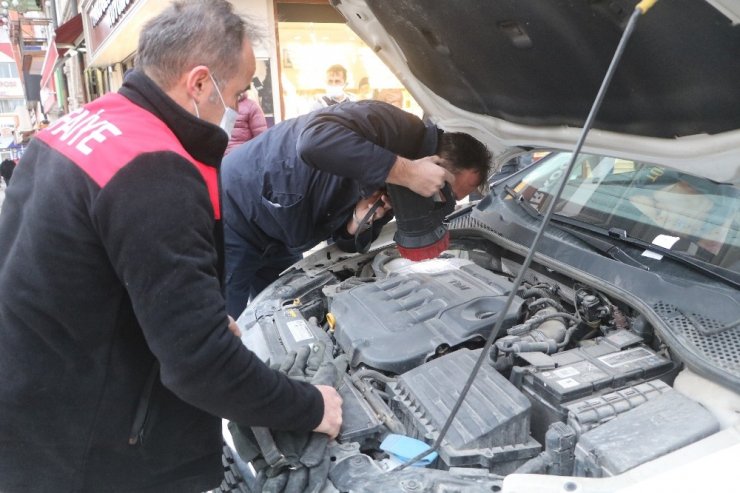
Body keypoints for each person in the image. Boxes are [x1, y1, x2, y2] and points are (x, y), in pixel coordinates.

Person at [0, 1, 341, 492]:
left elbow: (73, 269)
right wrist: (311, 406)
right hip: (84, 452)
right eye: (242, 90)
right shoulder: (155, 171)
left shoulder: (84, 123)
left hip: (33, 406)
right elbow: (199, 364)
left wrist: (181, 311)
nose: (247, 105)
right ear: (200, 83)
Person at [221, 100, 491, 318]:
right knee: (224, 327)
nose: (444, 204)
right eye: (446, 191)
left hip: (282, 236)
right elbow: (314, 140)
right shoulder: (395, 127)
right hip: (236, 216)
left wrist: (355, 223)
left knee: (280, 315)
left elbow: (345, 243)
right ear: (436, 165)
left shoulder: (407, 192)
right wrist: (406, 171)